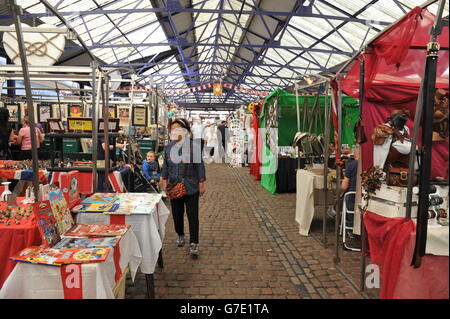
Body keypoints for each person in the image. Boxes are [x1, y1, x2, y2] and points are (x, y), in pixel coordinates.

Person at [159, 118, 206, 258]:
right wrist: (163, 178)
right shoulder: (168, 147)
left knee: (193, 215)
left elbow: (200, 165)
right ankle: (180, 234)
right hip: (174, 185)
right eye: (172, 129)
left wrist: (201, 182)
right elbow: (166, 166)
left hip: (191, 186)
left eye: (178, 129)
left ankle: (194, 242)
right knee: (177, 214)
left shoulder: (194, 146)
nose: (175, 132)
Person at [340, 147, 359, 235]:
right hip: (365, 198)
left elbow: (344, 186)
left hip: (352, 197)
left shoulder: (351, 165)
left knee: (342, 199)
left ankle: (350, 228)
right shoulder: (369, 164)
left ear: (355, 154)